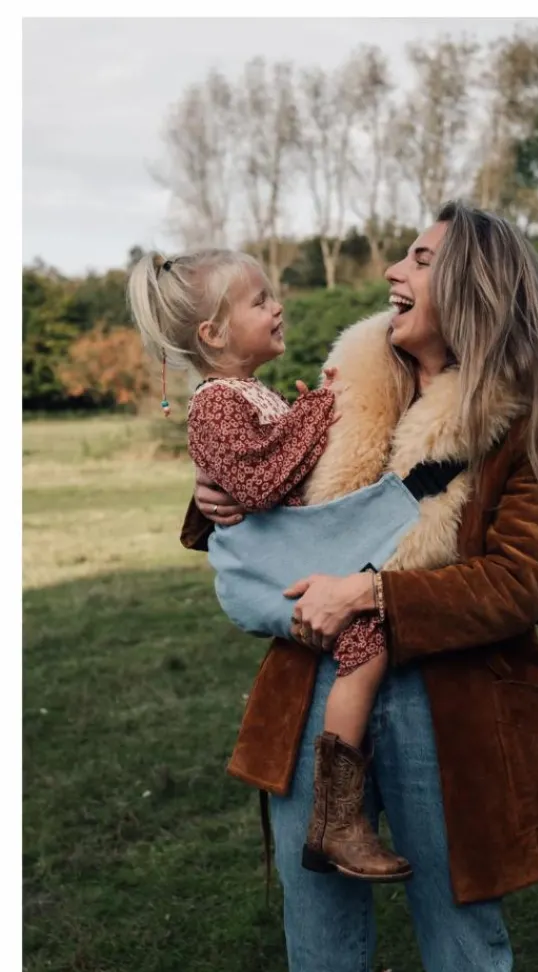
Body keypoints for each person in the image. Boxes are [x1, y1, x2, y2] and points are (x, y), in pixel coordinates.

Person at [181, 200, 538, 972]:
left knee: (465, 948)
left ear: (474, 287)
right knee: (321, 945)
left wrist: (370, 592)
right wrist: (208, 497)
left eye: (420, 260)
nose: (394, 272)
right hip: (312, 687)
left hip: (451, 704)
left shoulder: (536, 422)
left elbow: (518, 583)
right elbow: (279, 500)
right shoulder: (350, 387)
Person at [127, 248, 413, 883]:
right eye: (260, 301)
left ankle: (340, 816)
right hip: (289, 569)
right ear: (213, 334)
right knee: (367, 646)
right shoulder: (215, 403)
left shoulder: (246, 394)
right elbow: (260, 483)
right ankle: (337, 819)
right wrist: (320, 410)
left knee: (368, 644)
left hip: (304, 554)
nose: (277, 307)